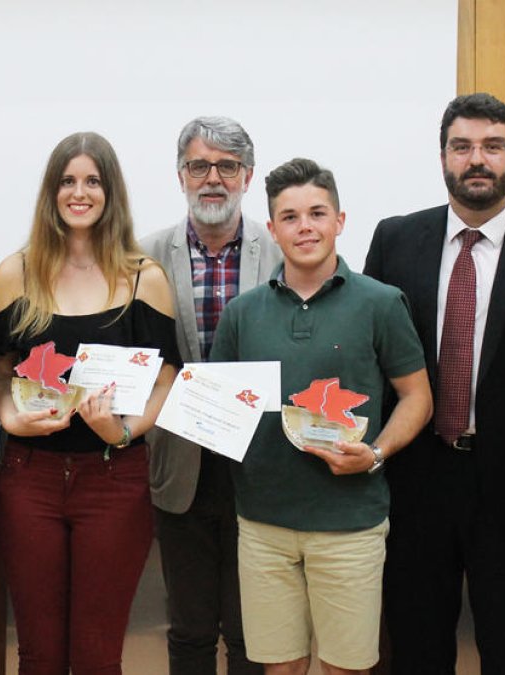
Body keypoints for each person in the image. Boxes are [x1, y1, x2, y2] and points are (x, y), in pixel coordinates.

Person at [362, 92, 505, 674]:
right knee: (416, 643)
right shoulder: (396, 239)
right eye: (463, 146)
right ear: (443, 156)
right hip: (417, 476)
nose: (477, 159)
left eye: (493, 147)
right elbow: (373, 356)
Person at [212, 158, 432, 675]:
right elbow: (218, 406)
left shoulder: (380, 303)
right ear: (271, 229)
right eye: (289, 217)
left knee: (345, 669)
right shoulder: (242, 313)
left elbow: (417, 396)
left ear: (340, 221)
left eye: (316, 213)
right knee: (279, 668)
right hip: (263, 524)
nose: (304, 226)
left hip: (349, 524)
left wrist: (375, 454)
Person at [0, 131, 181, 674]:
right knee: (38, 654)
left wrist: (120, 431)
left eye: (92, 181)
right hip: (30, 479)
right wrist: (11, 419)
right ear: (51, 192)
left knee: (98, 655)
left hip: (114, 479)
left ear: (110, 192)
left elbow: (167, 379)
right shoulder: (15, 273)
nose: (80, 192)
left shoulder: (145, 277)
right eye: (68, 181)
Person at [140, 116, 279, 675]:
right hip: (180, 467)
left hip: (263, 465)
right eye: (200, 166)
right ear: (181, 176)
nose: (213, 179)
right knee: (190, 629)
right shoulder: (143, 256)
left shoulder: (283, 251)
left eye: (227, 166)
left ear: (247, 175)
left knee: (254, 633)